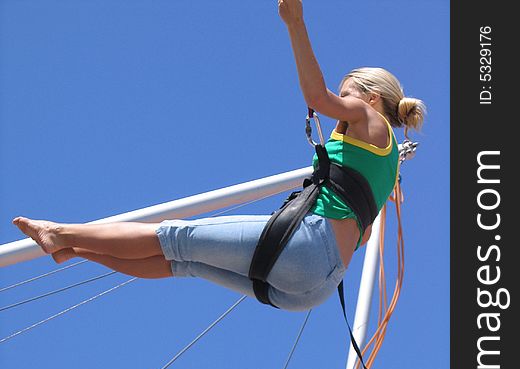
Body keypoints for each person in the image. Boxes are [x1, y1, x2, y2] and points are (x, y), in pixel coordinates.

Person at [12, 0, 425, 312]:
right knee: (184, 262)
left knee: (176, 237)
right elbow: (364, 235)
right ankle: (78, 250)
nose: (341, 106)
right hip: (313, 290)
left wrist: (295, 23)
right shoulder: (387, 170)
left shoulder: (367, 115)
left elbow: (317, 96)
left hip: (306, 249)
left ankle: (63, 233)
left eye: (347, 92)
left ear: (371, 98)